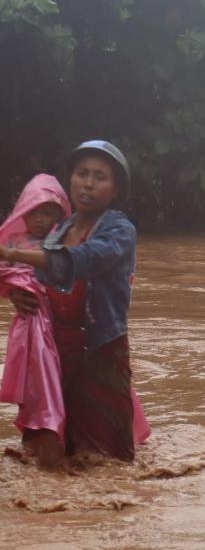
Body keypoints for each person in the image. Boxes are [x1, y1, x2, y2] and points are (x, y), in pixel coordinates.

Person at [1, 141, 150, 461]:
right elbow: (40, 281)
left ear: (115, 190)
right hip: (58, 351)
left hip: (101, 348)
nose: (89, 183)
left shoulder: (119, 229)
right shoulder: (61, 229)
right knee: (53, 450)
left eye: (100, 176)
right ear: (70, 180)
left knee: (106, 456)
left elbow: (84, 260)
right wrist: (17, 293)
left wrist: (12, 253)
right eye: (82, 174)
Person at [0, 174, 71, 466]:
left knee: (61, 381)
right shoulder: (12, 241)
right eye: (35, 212)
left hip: (60, 324)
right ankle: (38, 437)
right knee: (35, 377)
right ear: (23, 212)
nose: (40, 219)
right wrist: (13, 289)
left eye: (47, 213)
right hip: (30, 323)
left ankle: (53, 437)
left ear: (58, 215)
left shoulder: (63, 244)